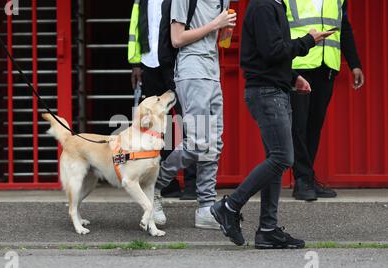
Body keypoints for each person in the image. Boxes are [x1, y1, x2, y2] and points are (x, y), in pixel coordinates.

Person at [210, 0, 334, 249]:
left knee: (276, 161)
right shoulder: (265, 5)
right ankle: (229, 206)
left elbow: (268, 55)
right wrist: (308, 40)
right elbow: (272, 51)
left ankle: (267, 230)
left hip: (274, 89)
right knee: (282, 158)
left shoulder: (274, 5)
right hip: (266, 93)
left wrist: (293, 77)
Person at [154, 0, 236, 230]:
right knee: (198, 142)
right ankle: (155, 185)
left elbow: (219, 40)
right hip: (191, 72)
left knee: (214, 144)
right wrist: (215, 24)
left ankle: (206, 208)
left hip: (212, 72)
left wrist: (224, 30)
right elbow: (177, 39)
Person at [127, 0, 198, 226]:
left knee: (191, 123)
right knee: (160, 129)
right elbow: (135, 29)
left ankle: (192, 182)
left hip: (177, 62)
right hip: (151, 64)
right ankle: (167, 183)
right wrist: (136, 63)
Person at [285, 0, 364, 201]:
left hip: (326, 65)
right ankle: (302, 179)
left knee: (314, 125)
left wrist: (354, 64)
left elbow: (343, 26)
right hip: (299, 64)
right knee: (299, 125)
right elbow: (279, 27)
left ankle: (307, 178)